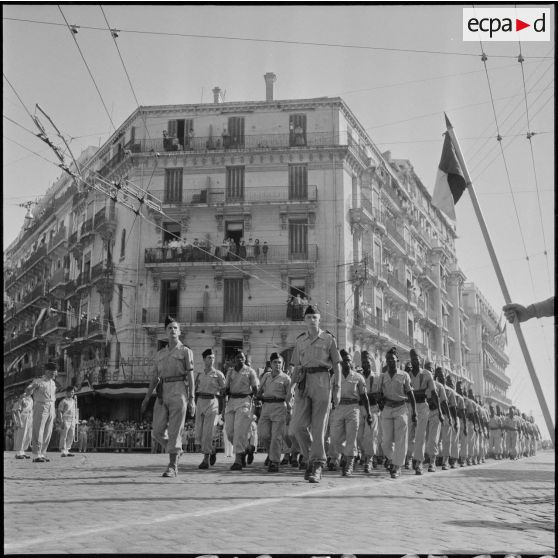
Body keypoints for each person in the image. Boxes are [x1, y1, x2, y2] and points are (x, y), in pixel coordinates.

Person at [290, 305, 342, 483]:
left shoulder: (328, 339)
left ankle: (317, 465)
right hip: (304, 382)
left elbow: (337, 364)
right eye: (308, 317)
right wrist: (291, 386)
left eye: (314, 317)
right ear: (304, 320)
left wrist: (337, 389)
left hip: (322, 381)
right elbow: (296, 366)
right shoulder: (300, 340)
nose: (311, 320)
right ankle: (311, 457)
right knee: (297, 426)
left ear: (319, 320)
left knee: (319, 427)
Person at [141, 316, 195, 477]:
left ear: (179, 331)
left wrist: (192, 399)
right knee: (157, 432)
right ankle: (175, 451)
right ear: (165, 332)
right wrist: (146, 398)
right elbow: (154, 378)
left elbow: (191, 376)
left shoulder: (185, 351)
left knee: (175, 431)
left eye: (175, 328)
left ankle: (172, 466)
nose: (172, 330)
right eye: (169, 328)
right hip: (162, 392)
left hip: (179, 391)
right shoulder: (160, 354)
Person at [329, 350, 372, 477]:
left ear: (351, 362)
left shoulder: (358, 377)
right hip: (338, 408)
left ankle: (349, 463)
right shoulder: (335, 376)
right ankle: (351, 453)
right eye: (344, 360)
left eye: (348, 360)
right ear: (340, 363)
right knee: (335, 438)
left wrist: (368, 413)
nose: (346, 362)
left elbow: (364, 396)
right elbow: (330, 394)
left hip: (353, 408)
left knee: (351, 437)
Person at [378, 347, 417, 479]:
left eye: (393, 359)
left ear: (397, 361)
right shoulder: (382, 376)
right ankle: (392, 458)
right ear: (386, 361)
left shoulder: (404, 375)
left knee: (401, 440)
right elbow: (379, 393)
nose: (390, 362)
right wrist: (381, 405)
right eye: (388, 359)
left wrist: (414, 412)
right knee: (385, 441)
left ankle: (397, 467)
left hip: (401, 408)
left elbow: (410, 394)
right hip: (387, 409)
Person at [406, 348, 440, 475]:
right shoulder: (407, 375)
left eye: (417, 359)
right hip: (409, 407)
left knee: (420, 436)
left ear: (420, 360)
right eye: (413, 359)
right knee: (409, 436)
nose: (415, 361)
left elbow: (433, 393)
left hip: (422, 406)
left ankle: (419, 462)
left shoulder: (427, 374)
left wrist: (439, 411)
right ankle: (409, 457)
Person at [224, 349, 259, 470]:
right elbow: (226, 388)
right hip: (231, 402)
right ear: (234, 359)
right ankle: (248, 448)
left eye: (242, 358)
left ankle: (238, 460)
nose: (240, 359)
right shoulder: (230, 372)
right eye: (238, 357)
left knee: (239, 431)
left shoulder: (250, 371)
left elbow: (255, 388)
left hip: (244, 401)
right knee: (229, 433)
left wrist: (257, 402)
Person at [257, 353, 291, 472]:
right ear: (270, 364)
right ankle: (271, 454)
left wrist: (289, 411)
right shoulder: (266, 376)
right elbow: (259, 390)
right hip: (266, 407)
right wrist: (259, 396)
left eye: (279, 362)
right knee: (263, 435)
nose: (277, 365)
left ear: (283, 364)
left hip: (279, 406)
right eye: (275, 362)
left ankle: (275, 461)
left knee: (276, 437)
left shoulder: (286, 378)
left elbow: (289, 396)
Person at [194, 348, 226, 469]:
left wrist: (223, 409)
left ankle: (205, 459)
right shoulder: (199, 374)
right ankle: (212, 450)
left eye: (213, 358)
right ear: (204, 359)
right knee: (199, 433)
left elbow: (224, 392)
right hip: (200, 401)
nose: (211, 360)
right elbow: (194, 389)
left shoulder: (218, 374)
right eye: (209, 358)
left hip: (212, 402)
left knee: (208, 432)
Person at [23, 360, 58, 463]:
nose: (54, 374)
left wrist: (54, 410)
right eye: (52, 372)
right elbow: (28, 391)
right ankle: (36, 454)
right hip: (41, 406)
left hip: (51, 406)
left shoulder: (53, 382)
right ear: (47, 371)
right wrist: (32, 387)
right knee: (38, 430)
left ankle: (42, 453)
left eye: (55, 372)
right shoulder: (38, 381)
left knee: (48, 432)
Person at [357, 350, 382, 472]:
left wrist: (369, 396)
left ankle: (370, 459)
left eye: (367, 362)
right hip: (359, 408)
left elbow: (378, 395)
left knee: (370, 435)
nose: (365, 364)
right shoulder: (358, 377)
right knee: (359, 436)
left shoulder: (376, 377)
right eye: (363, 362)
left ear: (371, 363)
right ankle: (364, 453)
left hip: (372, 409)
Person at [424, 362, 447, 472]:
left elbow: (443, 402)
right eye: (427, 369)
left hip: (434, 413)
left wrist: (442, 414)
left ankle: (432, 462)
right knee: (423, 438)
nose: (429, 371)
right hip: (423, 412)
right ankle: (420, 459)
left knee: (433, 439)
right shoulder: (421, 383)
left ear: (434, 373)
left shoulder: (439, 386)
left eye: (431, 369)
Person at [57, 386, 77, 457]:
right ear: (67, 392)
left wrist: (76, 420)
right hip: (65, 419)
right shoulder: (63, 401)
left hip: (72, 420)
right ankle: (63, 450)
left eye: (73, 392)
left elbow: (75, 411)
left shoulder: (74, 401)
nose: (72, 394)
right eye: (71, 392)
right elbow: (59, 411)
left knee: (71, 435)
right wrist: (61, 421)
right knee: (64, 435)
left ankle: (67, 450)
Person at [12, 394, 33, 459]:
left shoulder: (31, 399)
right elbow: (15, 412)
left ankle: (23, 451)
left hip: (29, 417)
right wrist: (17, 422)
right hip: (22, 417)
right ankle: (18, 452)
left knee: (28, 435)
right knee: (21, 435)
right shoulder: (21, 400)